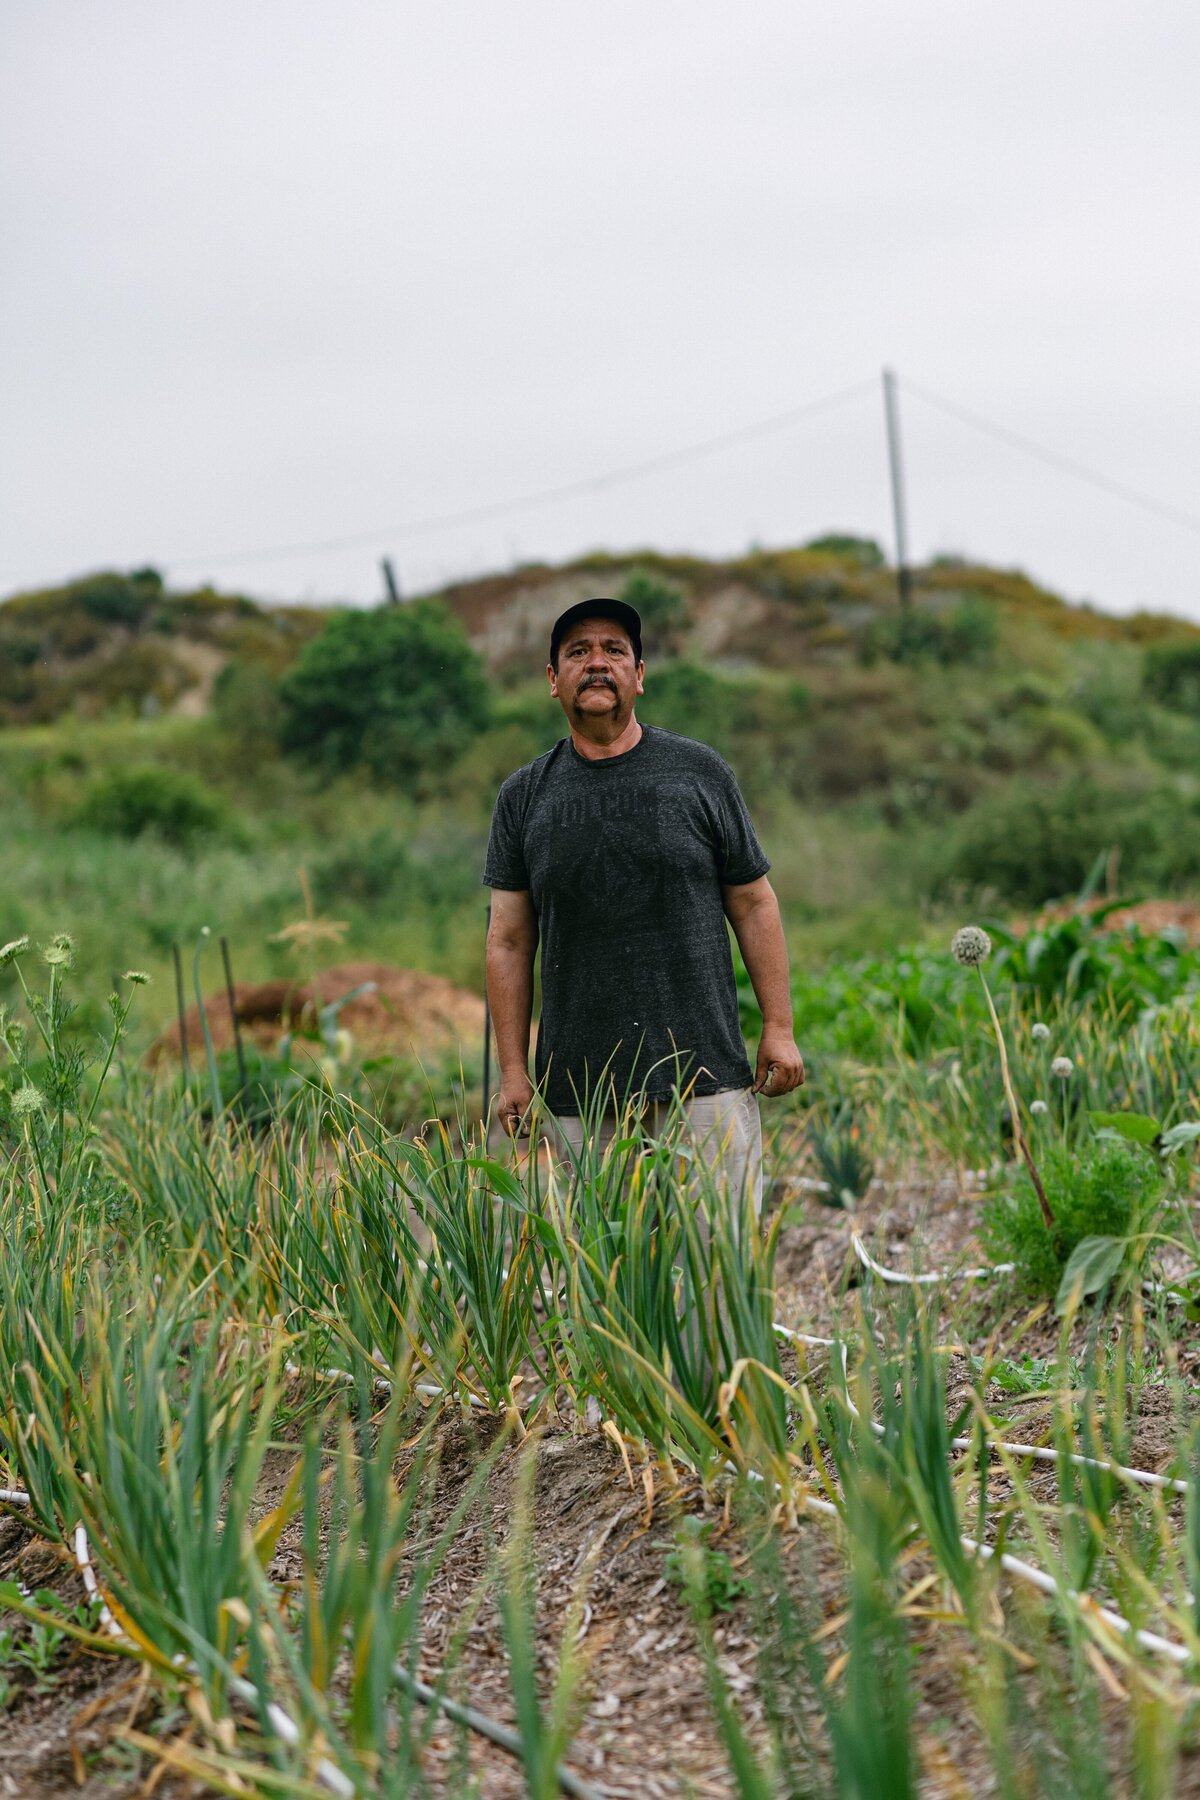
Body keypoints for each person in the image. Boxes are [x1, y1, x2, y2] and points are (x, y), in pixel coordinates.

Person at [483, 596, 804, 1208]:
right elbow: (508, 940)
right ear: (553, 681)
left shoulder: (698, 773)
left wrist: (780, 1028)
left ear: (640, 674)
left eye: (614, 651)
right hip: (584, 1094)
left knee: (719, 1272)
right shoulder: (524, 797)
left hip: (706, 1079)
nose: (597, 663)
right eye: (578, 652)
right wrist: (514, 1073)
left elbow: (754, 902)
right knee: (610, 1281)